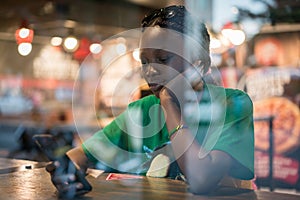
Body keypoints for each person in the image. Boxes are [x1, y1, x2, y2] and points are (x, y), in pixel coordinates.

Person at [46, 5, 255, 196]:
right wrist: (66, 170)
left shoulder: (232, 105)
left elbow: (201, 179)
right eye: (144, 61)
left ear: (198, 65)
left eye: (163, 59)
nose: (150, 70)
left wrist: (169, 104)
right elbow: (81, 156)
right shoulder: (142, 110)